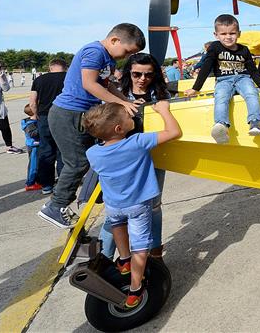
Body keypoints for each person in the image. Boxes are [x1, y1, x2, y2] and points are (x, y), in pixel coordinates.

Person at [38, 23, 146, 230]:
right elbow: (89, 84)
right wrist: (122, 104)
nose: (125, 57)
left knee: (92, 157)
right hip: (68, 114)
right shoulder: (94, 51)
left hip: (82, 115)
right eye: (127, 51)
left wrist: (127, 100)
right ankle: (55, 206)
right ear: (115, 40)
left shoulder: (108, 58)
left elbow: (107, 85)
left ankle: (91, 194)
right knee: (77, 162)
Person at [83, 100, 181, 309]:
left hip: (113, 205)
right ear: (119, 129)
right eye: (128, 117)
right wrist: (163, 110)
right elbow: (174, 132)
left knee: (117, 225)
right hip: (137, 206)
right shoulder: (137, 142)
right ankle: (135, 288)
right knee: (141, 245)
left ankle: (124, 259)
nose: (132, 118)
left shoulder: (93, 153)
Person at [91, 53, 171, 260]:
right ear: (129, 73)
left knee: (153, 206)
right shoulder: (115, 95)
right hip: (120, 164)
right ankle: (103, 259)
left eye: (148, 74)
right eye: (137, 74)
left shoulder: (162, 95)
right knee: (115, 212)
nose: (142, 79)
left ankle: (154, 253)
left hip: (152, 160)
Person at [185, 14, 260, 144]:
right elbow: (206, 67)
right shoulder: (215, 47)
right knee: (221, 97)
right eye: (223, 34)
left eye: (232, 33)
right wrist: (195, 88)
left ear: (239, 33)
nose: (228, 37)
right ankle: (221, 126)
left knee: (251, 93)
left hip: (243, 78)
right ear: (216, 35)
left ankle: (255, 122)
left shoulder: (244, 50)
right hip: (223, 79)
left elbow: (253, 70)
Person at [30, 58, 68, 194]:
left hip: (45, 117)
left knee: (46, 149)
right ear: (65, 67)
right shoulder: (70, 77)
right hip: (65, 116)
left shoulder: (39, 80)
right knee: (63, 150)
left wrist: (36, 115)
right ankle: (63, 183)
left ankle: (47, 184)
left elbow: (33, 102)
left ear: (50, 67)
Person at [0, 58, 23, 153]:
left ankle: (9, 147)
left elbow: (6, 89)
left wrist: (2, 79)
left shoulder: (1, 76)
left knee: (5, 127)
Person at [21, 104, 42, 191]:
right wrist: (41, 128)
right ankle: (30, 183)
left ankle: (36, 180)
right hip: (34, 146)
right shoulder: (30, 124)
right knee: (34, 165)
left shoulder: (33, 122)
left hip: (36, 145)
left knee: (38, 164)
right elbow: (32, 134)